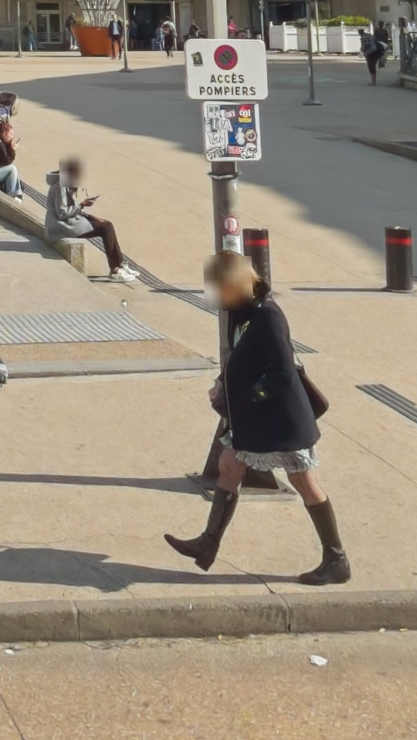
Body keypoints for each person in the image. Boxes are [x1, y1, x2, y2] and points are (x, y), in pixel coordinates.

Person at [164, 251, 348, 586]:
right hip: (254, 417)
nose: (214, 294)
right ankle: (207, 544)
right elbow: (241, 357)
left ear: (236, 285)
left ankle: (336, 560)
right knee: (229, 466)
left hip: (280, 420)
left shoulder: (268, 315)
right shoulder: (242, 313)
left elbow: (283, 371)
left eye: (219, 287)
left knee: (304, 482)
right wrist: (224, 384)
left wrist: (251, 394)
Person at [44, 156, 138, 280]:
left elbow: (73, 209)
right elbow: (62, 213)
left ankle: (119, 264)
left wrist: (91, 217)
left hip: (69, 221)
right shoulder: (60, 187)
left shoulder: (67, 185)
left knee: (107, 224)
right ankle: (115, 269)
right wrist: (82, 204)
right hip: (61, 226)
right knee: (106, 228)